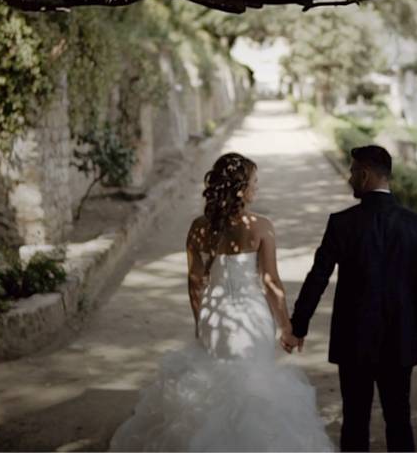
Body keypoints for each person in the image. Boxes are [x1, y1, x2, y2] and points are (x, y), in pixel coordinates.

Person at [109, 152, 333, 452]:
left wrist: (200, 320)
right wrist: (286, 327)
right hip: (251, 315)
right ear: (240, 189)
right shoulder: (261, 226)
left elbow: (195, 280)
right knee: (252, 382)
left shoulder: (199, 228)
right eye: (254, 182)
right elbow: (271, 282)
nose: (258, 188)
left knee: (215, 381)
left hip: (214, 315)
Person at [288, 145, 417, 452]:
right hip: (400, 340)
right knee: (399, 420)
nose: (350, 177)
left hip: (354, 340)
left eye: (353, 171)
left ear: (365, 175)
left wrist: (298, 325)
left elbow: (318, 277)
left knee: (354, 421)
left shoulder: (342, 223)